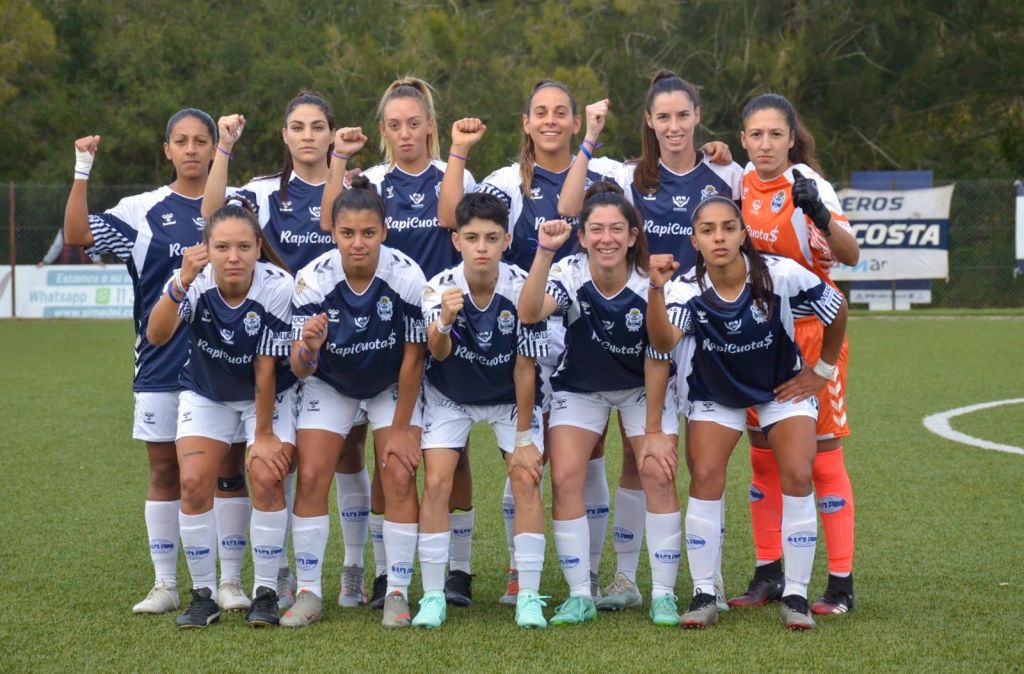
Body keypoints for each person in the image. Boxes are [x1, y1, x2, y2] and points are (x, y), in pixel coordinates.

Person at [557, 70, 741, 613]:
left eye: (683, 115)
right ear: (649, 121)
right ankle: (623, 577)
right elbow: (570, 207)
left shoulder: (725, 173)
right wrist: (590, 138)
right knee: (632, 457)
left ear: (697, 116)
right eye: (664, 116)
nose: (674, 126)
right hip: (643, 323)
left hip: (701, 331)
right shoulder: (626, 174)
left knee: (695, 462)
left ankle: (709, 577)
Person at [439, 80, 622, 605]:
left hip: (584, 324)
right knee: (527, 450)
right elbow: (452, 217)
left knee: (587, 450)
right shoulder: (505, 181)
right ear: (526, 122)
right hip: (525, 325)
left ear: (575, 122)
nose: (550, 121)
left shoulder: (605, 174)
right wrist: (459, 150)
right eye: (540, 112)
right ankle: (521, 570)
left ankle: (588, 571)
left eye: (561, 112)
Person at [63, 109, 252, 615]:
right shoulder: (140, 210)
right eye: (181, 141)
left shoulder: (238, 205)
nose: (191, 150)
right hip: (161, 363)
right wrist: (82, 168)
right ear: (167, 149)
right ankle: (165, 584)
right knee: (166, 471)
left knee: (229, 470)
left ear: (215, 147)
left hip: (226, 364)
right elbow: (78, 234)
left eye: (201, 141)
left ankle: (231, 582)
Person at [645, 196, 848, 630]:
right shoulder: (684, 288)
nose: (719, 237)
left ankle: (795, 595)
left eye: (728, 228)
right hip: (716, 393)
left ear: (742, 234)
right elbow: (663, 343)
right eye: (707, 230)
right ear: (695, 241)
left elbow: (836, 307)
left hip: (780, 388)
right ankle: (704, 593)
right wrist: (656, 290)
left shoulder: (780, 274)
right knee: (704, 476)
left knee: (798, 473)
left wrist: (822, 371)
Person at [320, 78, 479, 609]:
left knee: (452, 453)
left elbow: (452, 219)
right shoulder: (372, 181)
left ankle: (458, 570)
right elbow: (330, 221)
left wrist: (458, 153)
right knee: (385, 452)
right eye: (394, 125)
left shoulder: (453, 173)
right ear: (383, 130)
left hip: (444, 327)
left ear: (430, 126)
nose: (405, 133)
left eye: (414, 123)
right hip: (385, 334)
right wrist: (340, 160)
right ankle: (385, 570)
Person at [200, 92, 346, 610]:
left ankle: (353, 571)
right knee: (276, 461)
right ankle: (277, 573)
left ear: (331, 134)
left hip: (341, 338)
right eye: (297, 127)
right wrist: (225, 146)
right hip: (277, 340)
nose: (308, 136)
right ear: (284, 135)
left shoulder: (352, 186)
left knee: (345, 457)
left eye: (317, 126)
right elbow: (212, 212)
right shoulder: (262, 192)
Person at [518, 182, 681, 627]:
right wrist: (544, 251)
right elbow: (529, 313)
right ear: (583, 236)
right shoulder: (569, 272)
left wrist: (652, 433)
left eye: (616, 229)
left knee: (657, 470)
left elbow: (660, 351)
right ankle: (580, 594)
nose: (606, 238)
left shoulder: (651, 280)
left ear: (632, 236)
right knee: (566, 475)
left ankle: (658, 593)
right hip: (581, 388)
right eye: (596, 230)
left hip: (642, 386)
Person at [729, 93, 859, 615]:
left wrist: (820, 215)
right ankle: (768, 572)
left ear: (791, 138)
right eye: (756, 134)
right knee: (763, 455)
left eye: (775, 135)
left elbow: (850, 256)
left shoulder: (808, 183)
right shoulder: (739, 180)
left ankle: (841, 584)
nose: (766, 144)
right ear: (744, 139)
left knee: (821, 458)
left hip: (811, 333)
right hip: (758, 336)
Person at [146, 198, 295, 628]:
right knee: (193, 482)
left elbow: (265, 367)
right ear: (206, 248)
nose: (234, 257)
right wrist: (180, 282)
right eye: (223, 247)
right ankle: (203, 595)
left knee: (266, 474)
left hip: (265, 394)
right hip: (207, 392)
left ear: (258, 248)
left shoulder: (278, 285)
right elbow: (157, 335)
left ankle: (265, 592)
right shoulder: (192, 281)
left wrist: (263, 435)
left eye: (244, 247)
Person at [286, 176, 426, 629]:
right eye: (347, 233)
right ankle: (309, 592)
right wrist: (309, 347)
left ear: (384, 231)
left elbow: (414, 357)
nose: (358, 243)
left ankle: (397, 592)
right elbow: (300, 368)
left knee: (399, 472)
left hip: (389, 383)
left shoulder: (406, 275)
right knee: (311, 476)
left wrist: (401, 429)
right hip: (330, 383)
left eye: (368, 233)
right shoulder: (313, 279)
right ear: (333, 232)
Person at [411, 191, 548, 629]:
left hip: (508, 396)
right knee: (436, 481)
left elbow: (525, 368)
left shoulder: (524, 287)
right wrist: (445, 321)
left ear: (507, 240)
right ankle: (433, 596)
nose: (482, 248)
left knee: (526, 477)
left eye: (491, 238)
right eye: (472, 238)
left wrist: (524, 440)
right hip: (450, 394)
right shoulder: (437, 287)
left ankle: (529, 596)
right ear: (457, 241)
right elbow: (438, 351)